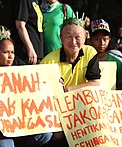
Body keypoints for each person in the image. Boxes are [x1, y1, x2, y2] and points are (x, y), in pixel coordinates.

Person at [0, 25, 52, 147]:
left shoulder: (20, 66)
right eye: (5, 52)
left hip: (23, 124)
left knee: (46, 135)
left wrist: (54, 82)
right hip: (1, 130)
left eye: (12, 52)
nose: (10, 56)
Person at [41, 17, 101, 146]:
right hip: (57, 111)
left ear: (85, 37)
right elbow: (43, 96)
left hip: (84, 109)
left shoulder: (90, 52)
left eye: (77, 37)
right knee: (57, 136)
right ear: (60, 38)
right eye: (68, 37)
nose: (73, 42)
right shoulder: (47, 61)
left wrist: (67, 89)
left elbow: (95, 84)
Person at [90, 19, 122, 90]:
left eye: (105, 39)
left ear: (109, 39)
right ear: (90, 40)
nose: (101, 43)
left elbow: (121, 90)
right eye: (97, 39)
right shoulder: (83, 61)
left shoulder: (117, 63)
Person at [14, 0, 43, 64]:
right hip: (27, 54)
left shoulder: (36, 1)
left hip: (38, 52)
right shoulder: (24, 1)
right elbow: (20, 26)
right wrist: (30, 49)